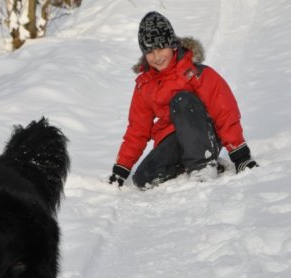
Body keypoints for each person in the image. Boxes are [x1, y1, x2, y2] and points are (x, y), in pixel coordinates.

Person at [109, 11, 258, 189]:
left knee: (181, 100)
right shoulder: (144, 85)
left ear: (173, 46)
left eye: (161, 47)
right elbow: (137, 129)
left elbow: (224, 111)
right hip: (173, 140)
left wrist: (240, 156)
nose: (157, 57)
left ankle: (203, 164)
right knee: (143, 178)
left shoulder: (196, 74)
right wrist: (121, 170)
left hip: (203, 134)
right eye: (150, 51)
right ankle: (203, 162)